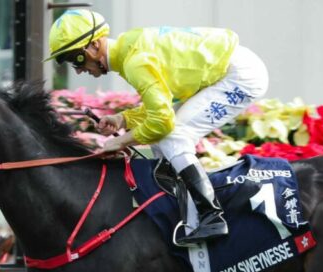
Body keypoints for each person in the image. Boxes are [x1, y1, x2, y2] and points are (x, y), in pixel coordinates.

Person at [46, 10, 269, 245]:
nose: (78, 70)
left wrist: (121, 141)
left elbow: (162, 121)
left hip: (239, 75)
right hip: (229, 70)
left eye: (76, 59)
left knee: (174, 136)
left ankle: (211, 216)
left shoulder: (134, 61)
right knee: (167, 142)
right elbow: (161, 106)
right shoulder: (129, 51)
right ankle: (188, 218)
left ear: (94, 45)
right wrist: (123, 120)